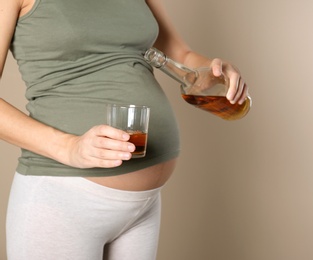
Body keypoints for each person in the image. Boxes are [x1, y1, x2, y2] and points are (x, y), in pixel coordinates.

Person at [0, 0, 249, 259]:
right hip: (63, 197)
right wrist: (68, 147)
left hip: (142, 207)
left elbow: (181, 53)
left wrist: (214, 70)